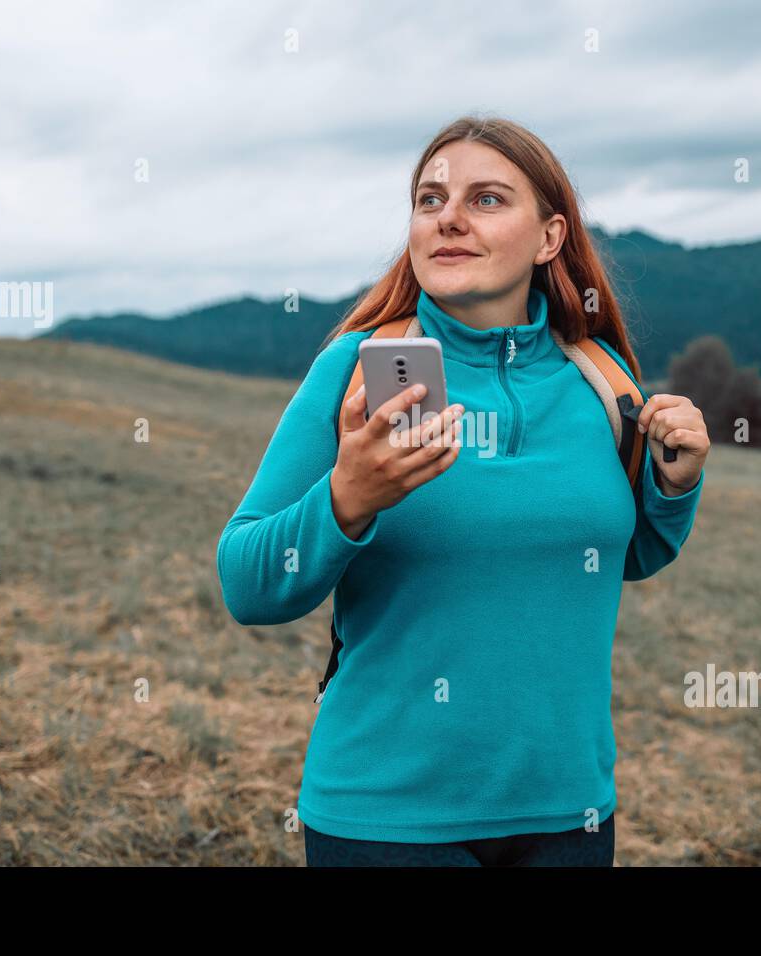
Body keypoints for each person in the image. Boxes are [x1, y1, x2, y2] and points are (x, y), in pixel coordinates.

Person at [217, 115, 709, 867]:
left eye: (485, 200)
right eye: (430, 199)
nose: (447, 216)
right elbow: (249, 584)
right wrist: (347, 497)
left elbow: (619, 556)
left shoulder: (599, 376)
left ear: (549, 238)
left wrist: (674, 486)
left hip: (569, 815)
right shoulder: (363, 367)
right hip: (384, 823)